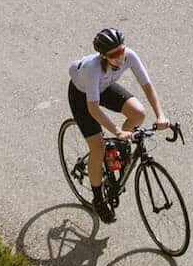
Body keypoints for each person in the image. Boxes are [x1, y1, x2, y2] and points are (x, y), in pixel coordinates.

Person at [69, 26, 168, 223]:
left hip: (103, 87)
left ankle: (120, 147)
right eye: (114, 55)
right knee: (98, 146)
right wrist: (117, 131)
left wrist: (160, 115)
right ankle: (98, 198)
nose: (120, 57)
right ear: (104, 56)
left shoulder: (129, 55)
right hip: (83, 96)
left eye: (121, 50)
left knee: (138, 113)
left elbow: (147, 86)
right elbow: (94, 109)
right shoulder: (93, 68)